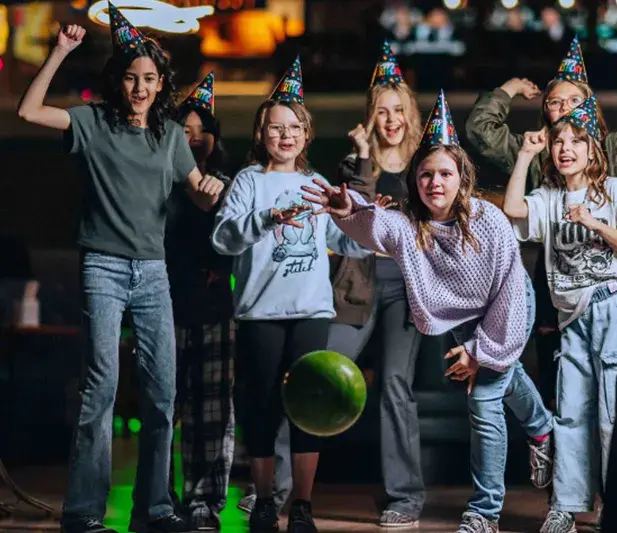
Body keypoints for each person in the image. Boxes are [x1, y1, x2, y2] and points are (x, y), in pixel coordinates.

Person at [301, 91, 554, 533]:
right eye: (425, 175)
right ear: (415, 181)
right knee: (505, 379)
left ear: (462, 177)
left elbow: (511, 298)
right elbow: (374, 226)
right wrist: (345, 211)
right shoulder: (408, 224)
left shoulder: (488, 222)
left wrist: (481, 351)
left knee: (486, 399)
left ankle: (484, 513)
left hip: (506, 308)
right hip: (461, 319)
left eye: (444, 174)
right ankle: (542, 428)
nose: (435, 183)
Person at [16, 6, 224, 533]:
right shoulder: (92, 123)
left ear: (160, 84)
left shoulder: (172, 137)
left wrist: (211, 190)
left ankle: (154, 509)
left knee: (161, 394)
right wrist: (60, 51)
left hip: (153, 272)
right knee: (101, 387)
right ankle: (83, 513)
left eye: (149, 79)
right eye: (131, 77)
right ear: (119, 80)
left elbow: (197, 194)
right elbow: (28, 112)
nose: (139, 87)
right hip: (103, 268)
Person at [211, 57, 372, 533]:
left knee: (311, 407)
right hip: (260, 312)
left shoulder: (317, 185)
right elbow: (223, 238)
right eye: (276, 128)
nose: (286, 135)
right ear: (262, 134)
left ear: (307, 134)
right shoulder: (248, 182)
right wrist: (266, 219)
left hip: (310, 312)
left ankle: (301, 504)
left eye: (295, 127)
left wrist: (361, 215)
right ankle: (264, 501)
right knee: (260, 407)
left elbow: (349, 244)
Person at [274, 40, 429, 528]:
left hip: (408, 289)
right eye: (382, 111)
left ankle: (405, 497)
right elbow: (351, 219)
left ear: (410, 113)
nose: (390, 119)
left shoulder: (430, 162)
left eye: (398, 109)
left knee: (396, 388)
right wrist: (363, 159)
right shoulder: (353, 166)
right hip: (355, 288)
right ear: (370, 116)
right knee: (318, 376)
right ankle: (277, 489)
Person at [502, 97, 617, 533]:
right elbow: (513, 210)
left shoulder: (614, 191)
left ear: (592, 149)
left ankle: (616, 502)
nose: (565, 148)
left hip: (614, 305)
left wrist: (596, 224)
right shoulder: (548, 198)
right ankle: (565, 505)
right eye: (558, 141)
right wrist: (525, 154)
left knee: (613, 412)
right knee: (570, 411)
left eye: (576, 141)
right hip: (573, 318)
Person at [465, 36, 617, 189]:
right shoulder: (534, 153)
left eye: (575, 100)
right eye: (555, 102)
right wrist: (509, 89)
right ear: (546, 112)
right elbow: (480, 129)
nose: (565, 107)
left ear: (591, 107)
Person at [165, 72, 236, 531]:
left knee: (211, 411)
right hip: (164, 304)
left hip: (214, 307)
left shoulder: (230, 182)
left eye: (199, 131)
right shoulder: (161, 179)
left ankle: (204, 500)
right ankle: (158, 495)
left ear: (214, 135)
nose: (191, 138)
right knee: (163, 407)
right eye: (182, 131)